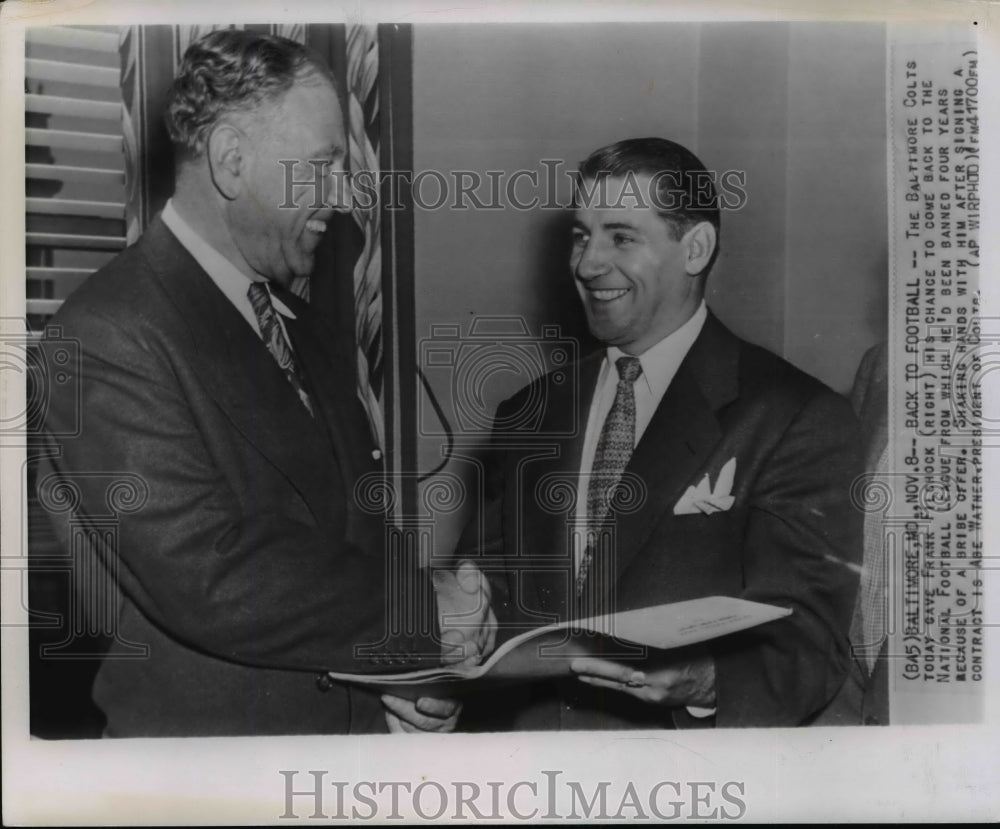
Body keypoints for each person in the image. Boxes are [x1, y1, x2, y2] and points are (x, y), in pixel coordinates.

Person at [37, 30, 491, 738]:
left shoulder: (301, 323)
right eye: (322, 166)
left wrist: (411, 673)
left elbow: (354, 533)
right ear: (231, 160)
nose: (341, 196)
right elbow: (206, 572)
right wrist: (419, 611)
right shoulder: (103, 332)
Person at [459, 137, 864, 730]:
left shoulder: (793, 417)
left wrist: (707, 680)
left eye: (621, 237)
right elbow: (489, 597)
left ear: (695, 248)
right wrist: (454, 618)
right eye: (580, 235)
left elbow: (808, 641)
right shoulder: (530, 411)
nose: (587, 263)